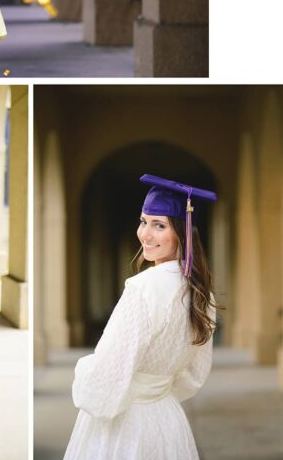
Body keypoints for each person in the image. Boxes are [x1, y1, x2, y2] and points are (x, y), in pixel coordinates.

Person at [65, 175, 219, 459]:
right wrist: (158, 388)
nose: (145, 234)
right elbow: (195, 373)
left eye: (159, 225)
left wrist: (83, 374)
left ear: (182, 233)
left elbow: (107, 371)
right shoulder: (202, 293)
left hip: (127, 423)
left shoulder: (142, 288)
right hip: (167, 416)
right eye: (143, 221)